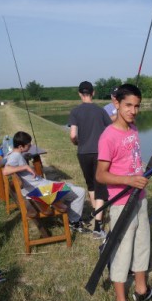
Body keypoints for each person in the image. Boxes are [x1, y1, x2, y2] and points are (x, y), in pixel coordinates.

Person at [96, 84, 152, 301]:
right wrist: (128, 180)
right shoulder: (108, 136)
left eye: (137, 106)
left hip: (139, 199)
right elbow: (100, 175)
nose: (133, 111)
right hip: (121, 204)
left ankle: (141, 291)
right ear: (116, 103)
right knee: (122, 251)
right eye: (128, 105)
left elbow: (133, 160)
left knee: (142, 245)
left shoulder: (133, 130)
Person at [2, 131, 90, 233]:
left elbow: (2, 162)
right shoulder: (15, 156)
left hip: (38, 188)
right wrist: (25, 166)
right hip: (40, 192)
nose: (31, 146)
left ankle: (73, 219)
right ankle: (74, 222)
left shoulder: (12, 153)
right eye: (29, 145)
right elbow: (5, 170)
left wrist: (24, 159)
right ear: (21, 147)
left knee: (70, 186)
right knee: (80, 192)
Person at [69, 81, 112, 239]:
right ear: (93, 93)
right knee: (101, 186)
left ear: (80, 94)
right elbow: (111, 130)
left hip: (83, 153)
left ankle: (97, 214)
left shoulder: (75, 112)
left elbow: (73, 135)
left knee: (91, 185)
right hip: (100, 153)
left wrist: (77, 143)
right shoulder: (100, 111)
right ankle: (98, 227)